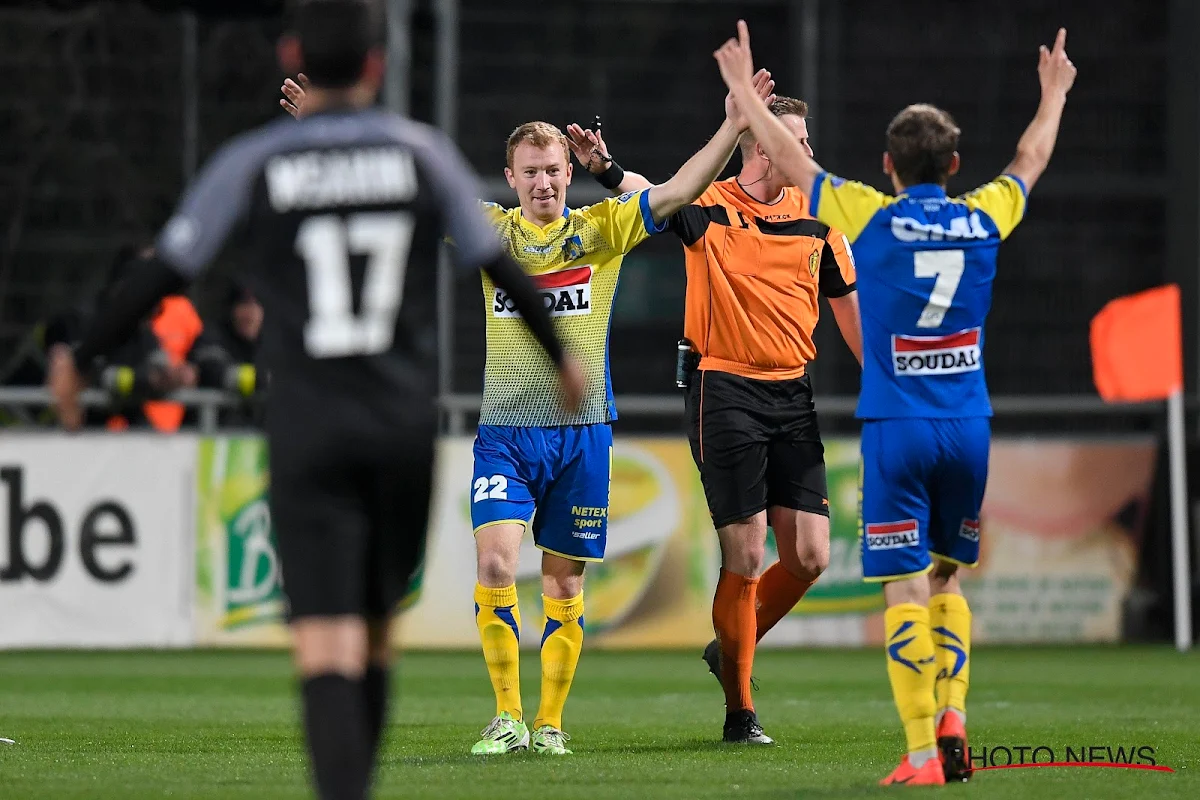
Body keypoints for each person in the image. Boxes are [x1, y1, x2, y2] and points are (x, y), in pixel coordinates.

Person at [49, 2, 582, 798]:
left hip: (308, 425)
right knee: (372, 640)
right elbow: (500, 265)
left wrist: (83, 353)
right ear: (376, 66)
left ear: (293, 53)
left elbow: (166, 268)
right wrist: (560, 355)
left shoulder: (255, 162)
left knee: (324, 645)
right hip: (401, 425)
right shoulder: (419, 155)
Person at [714, 19, 1076, 785]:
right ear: (952, 165)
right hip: (969, 426)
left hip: (898, 427)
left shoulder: (869, 215)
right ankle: (957, 717)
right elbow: (1030, 159)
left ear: (887, 165)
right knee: (948, 577)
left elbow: (787, 158)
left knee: (905, 586)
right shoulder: (984, 217)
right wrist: (1053, 94)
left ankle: (920, 751)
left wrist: (746, 93)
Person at [565, 88, 863, 745]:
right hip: (722, 390)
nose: (809, 151)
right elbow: (658, 193)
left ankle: (735, 639)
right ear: (762, 147)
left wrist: (895, 390)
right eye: (798, 141)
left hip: (793, 394)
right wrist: (608, 172)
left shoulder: (822, 220)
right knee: (748, 551)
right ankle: (740, 713)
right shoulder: (711, 208)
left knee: (811, 556)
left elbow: (854, 322)